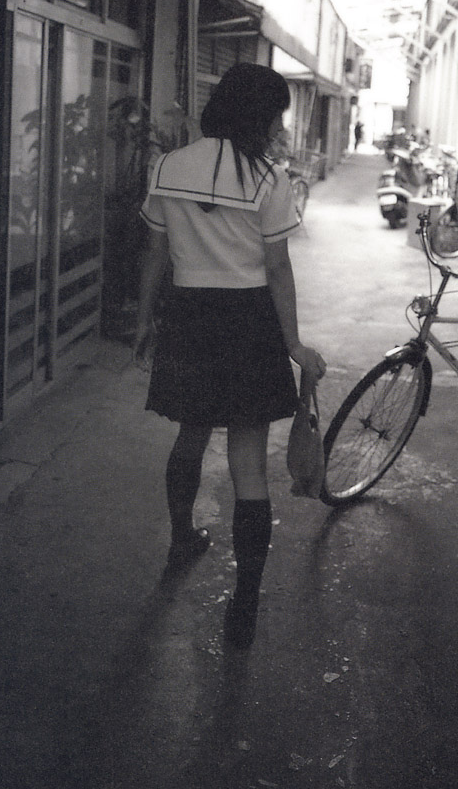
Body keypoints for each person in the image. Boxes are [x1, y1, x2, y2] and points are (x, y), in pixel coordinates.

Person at [132, 63, 326, 649]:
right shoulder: (269, 179)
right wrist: (293, 343)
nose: (278, 128)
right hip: (249, 322)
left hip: (189, 316)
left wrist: (143, 319)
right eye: (276, 116)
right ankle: (244, 602)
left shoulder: (168, 167)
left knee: (190, 434)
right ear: (258, 115)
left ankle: (181, 538)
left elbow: (155, 254)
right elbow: (277, 268)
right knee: (248, 462)